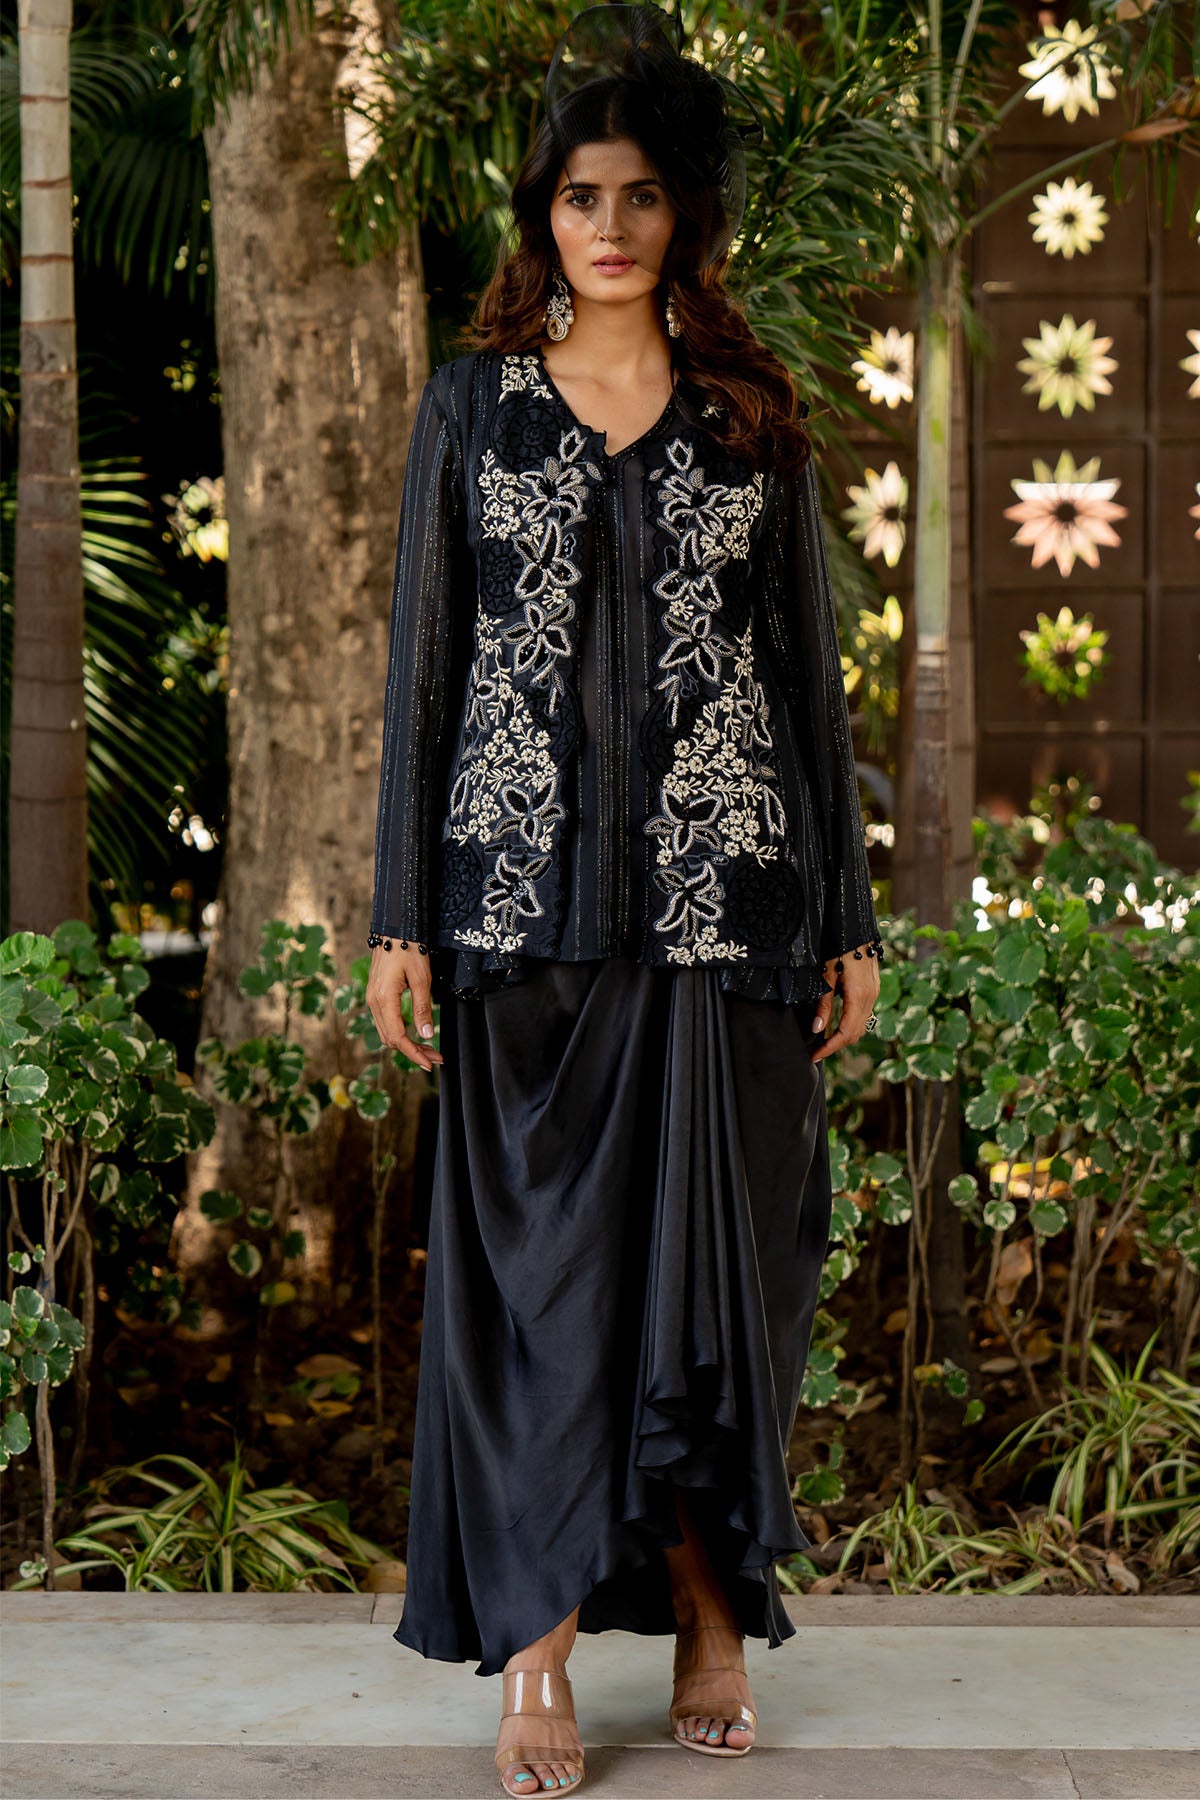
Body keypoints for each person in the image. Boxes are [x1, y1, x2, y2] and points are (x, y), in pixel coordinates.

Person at [366, 6, 883, 1793]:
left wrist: (849, 916)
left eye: (643, 194)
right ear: (543, 211)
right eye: (581, 194)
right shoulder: (472, 407)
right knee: (544, 1303)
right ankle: (536, 1648)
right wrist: (399, 915)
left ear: (686, 214)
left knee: (721, 1288)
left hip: (733, 911)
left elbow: (807, 684)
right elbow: (425, 674)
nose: (609, 224)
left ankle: (714, 1606)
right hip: (519, 907)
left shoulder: (748, 413)